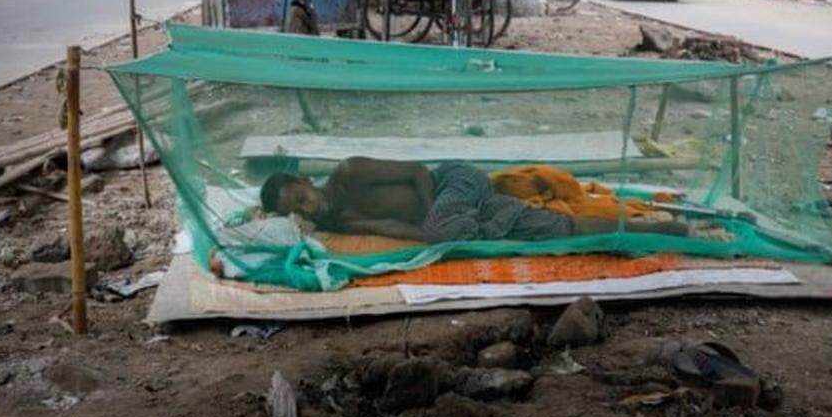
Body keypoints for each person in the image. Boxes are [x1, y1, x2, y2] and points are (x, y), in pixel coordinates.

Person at [259, 157, 688, 244]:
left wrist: (435, 219)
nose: (307, 208)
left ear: (305, 180)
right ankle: (656, 229)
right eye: (296, 210)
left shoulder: (349, 174)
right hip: (462, 214)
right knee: (551, 230)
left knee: (446, 228)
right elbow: (393, 230)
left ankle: (461, 225)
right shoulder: (338, 222)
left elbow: (416, 172)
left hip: (452, 182)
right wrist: (436, 240)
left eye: (301, 197)